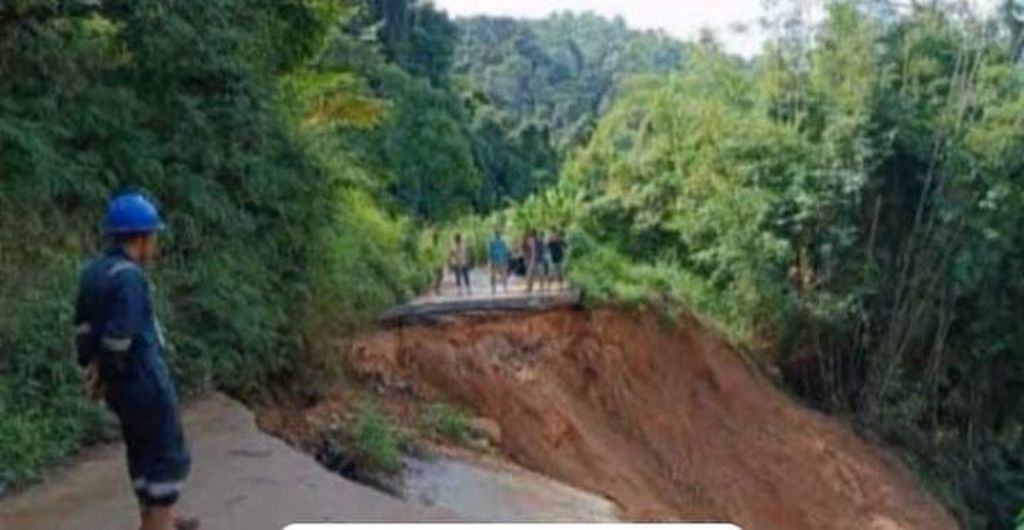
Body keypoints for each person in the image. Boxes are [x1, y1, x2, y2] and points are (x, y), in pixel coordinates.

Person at [73, 191, 197, 530]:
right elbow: (119, 337)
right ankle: (160, 522)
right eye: (153, 236)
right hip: (142, 378)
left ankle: (154, 520)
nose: (155, 245)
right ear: (141, 238)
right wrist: (109, 368)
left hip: (121, 389)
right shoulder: (129, 277)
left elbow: (83, 330)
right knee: (166, 453)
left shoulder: (93, 272)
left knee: (141, 449)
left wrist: (94, 370)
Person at [488, 228, 510, 294]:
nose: (497, 235)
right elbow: (490, 252)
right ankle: (497, 289)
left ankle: (500, 289)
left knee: (498, 275)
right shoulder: (495, 242)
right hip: (498, 260)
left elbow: (490, 253)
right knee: (497, 275)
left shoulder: (499, 242)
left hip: (499, 260)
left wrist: (491, 261)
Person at [522, 229, 540, 293]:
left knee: (529, 274)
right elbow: (526, 251)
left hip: (531, 260)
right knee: (530, 274)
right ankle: (529, 288)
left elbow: (533, 251)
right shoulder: (530, 241)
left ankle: (529, 288)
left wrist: (533, 259)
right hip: (529, 260)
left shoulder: (531, 240)